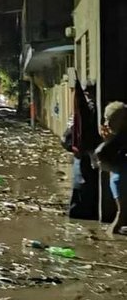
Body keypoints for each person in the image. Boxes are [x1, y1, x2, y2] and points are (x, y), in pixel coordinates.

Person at [61, 82, 101, 220]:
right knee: (83, 186)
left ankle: (81, 215)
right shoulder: (86, 111)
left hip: (86, 155)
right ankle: (82, 215)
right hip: (85, 155)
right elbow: (68, 136)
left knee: (83, 186)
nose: (89, 95)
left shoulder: (89, 110)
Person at [95, 101, 127, 235]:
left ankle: (112, 233)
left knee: (122, 214)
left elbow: (101, 153)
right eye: (106, 120)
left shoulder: (122, 136)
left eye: (110, 120)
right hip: (119, 174)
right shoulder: (119, 136)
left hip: (121, 176)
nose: (107, 124)